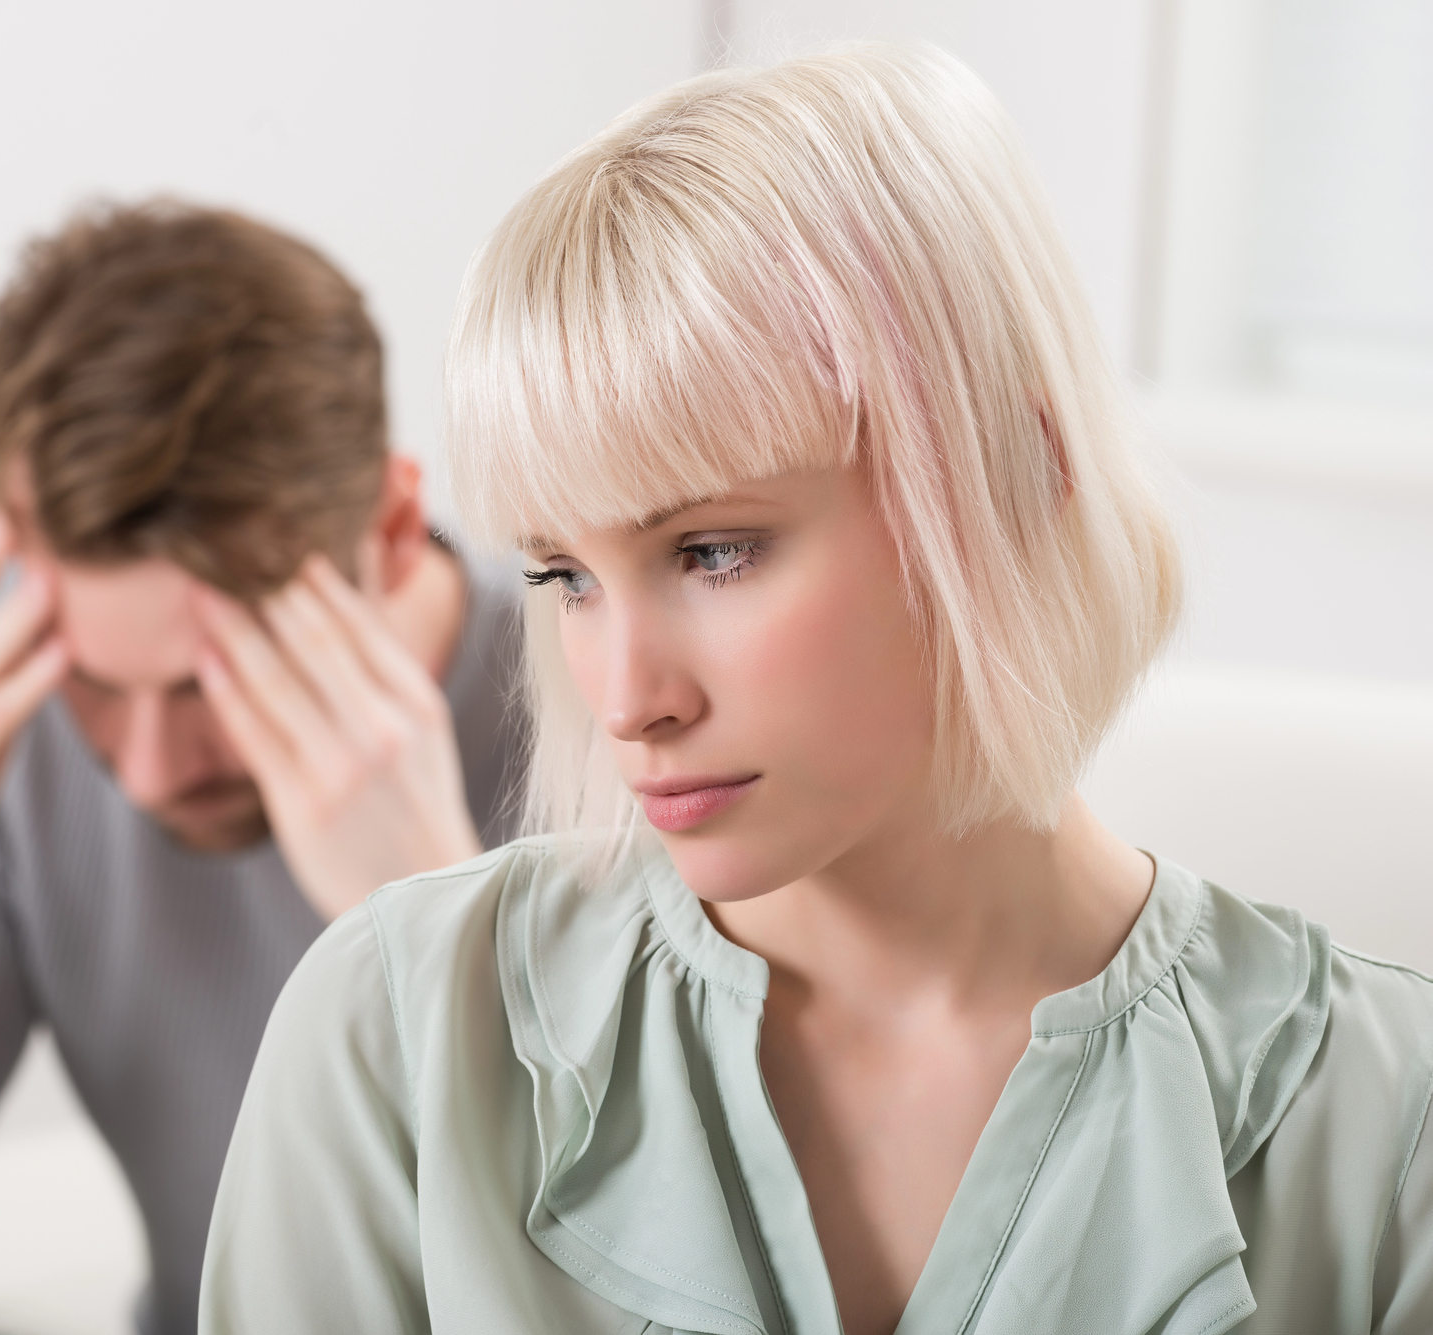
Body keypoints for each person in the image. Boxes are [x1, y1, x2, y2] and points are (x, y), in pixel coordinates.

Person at [200, 44, 1433, 1335]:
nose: (628, 697)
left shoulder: (1382, 1122)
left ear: (1018, 474)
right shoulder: (391, 1039)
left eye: (712, 551)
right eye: (566, 574)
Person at [0, 202, 526, 1335]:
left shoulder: (610, 705)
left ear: (386, 530)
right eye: (97, 680)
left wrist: (432, 927)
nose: (146, 770)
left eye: (210, 683)